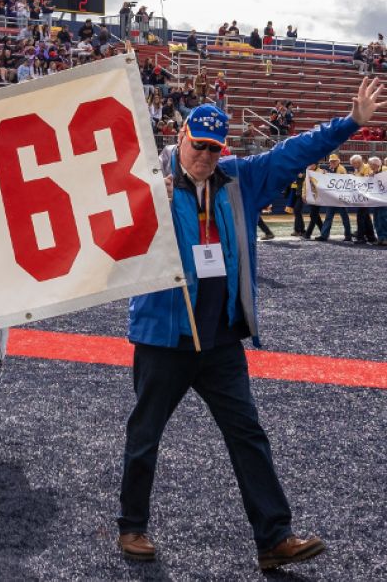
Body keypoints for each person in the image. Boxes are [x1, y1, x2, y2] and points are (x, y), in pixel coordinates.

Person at [117, 79, 383, 571]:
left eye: (215, 149)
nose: (206, 157)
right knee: (145, 433)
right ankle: (132, 526)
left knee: (249, 435)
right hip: (163, 337)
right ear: (181, 136)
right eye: (199, 146)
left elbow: (293, 151)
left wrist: (349, 124)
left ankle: (274, 538)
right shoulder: (148, 179)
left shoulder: (240, 179)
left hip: (220, 339)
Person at [315, 154, 352, 241]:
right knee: (330, 217)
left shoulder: (341, 169)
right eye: (331, 161)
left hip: (340, 198)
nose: (332, 162)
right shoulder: (331, 169)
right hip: (333, 198)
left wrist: (327, 174)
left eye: (334, 161)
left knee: (343, 217)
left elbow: (339, 181)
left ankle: (347, 235)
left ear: (338, 161)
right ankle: (325, 235)